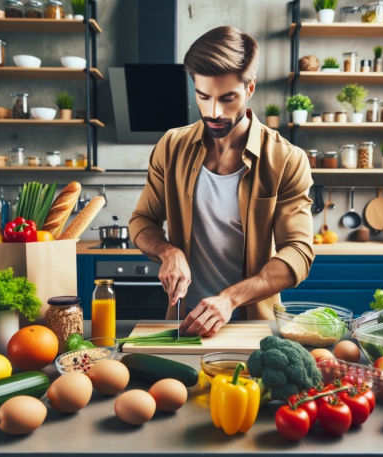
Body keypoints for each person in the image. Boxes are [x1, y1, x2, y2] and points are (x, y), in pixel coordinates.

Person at [129, 26, 314, 337]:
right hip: (184, 322)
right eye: (203, 96)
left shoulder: (287, 159)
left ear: (250, 88)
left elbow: (298, 252)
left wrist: (229, 299)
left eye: (228, 98)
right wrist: (168, 252)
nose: (214, 111)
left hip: (253, 324)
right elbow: (142, 220)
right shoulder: (171, 146)